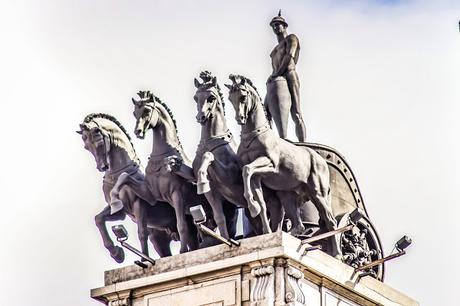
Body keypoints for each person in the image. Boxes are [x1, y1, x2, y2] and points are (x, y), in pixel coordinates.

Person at [267, 10, 307, 142]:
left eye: (278, 24)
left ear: (284, 26)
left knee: (295, 112)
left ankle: (303, 144)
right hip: (277, 79)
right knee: (265, 109)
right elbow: (274, 68)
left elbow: (290, 56)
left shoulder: (291, 38)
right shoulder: (273, 52)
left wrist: (278, 73)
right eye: (273, 25)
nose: (275, 27)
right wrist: (273, 75)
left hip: (289, 75)